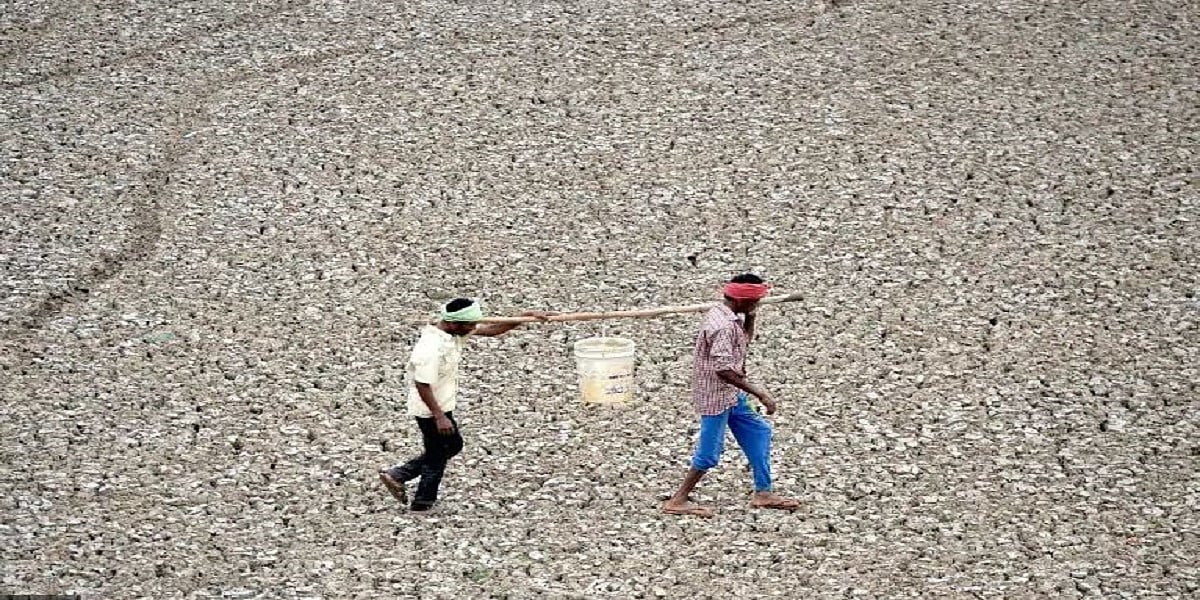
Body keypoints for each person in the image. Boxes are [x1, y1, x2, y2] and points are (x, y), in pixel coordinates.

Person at [380, 298, 548, 511]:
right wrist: (439, 416)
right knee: (438, 454)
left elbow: (492, 330)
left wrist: (524, 317)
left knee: (451, 446)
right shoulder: (430, 349)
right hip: (430, 410)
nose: (473, 329)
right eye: (469, 325)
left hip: (442, 405)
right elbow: (422, 384)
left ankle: (400, 476)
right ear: (453, 324)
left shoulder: (452, 332)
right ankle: (420, 501)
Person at [662, 274, 801, 517]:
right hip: (716, 397)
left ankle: (763, 492)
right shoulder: (723, 327)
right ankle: (678, 499)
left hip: (731, 394)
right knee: (709, 454)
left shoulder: (725, 313)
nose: (757, 305)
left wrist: (751, 317)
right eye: (754, 302)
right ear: (741, 302)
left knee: (759, 431)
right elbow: (724, 369)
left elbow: (743, 341)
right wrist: (760, 393)